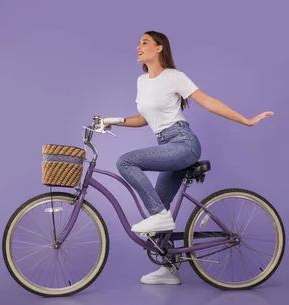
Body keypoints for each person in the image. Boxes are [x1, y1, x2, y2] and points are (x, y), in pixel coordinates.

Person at [102, 30, 273, 285]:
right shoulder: (142, 81)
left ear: (159, 48)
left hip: (183, 143)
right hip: (166, 144)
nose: (138, 46)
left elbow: (208, 102)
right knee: (156, 207)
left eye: (145, 42)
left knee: (126, 162)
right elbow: (144, 119)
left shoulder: (174, 77)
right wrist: (111, 121)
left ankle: (161, 218)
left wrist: (246, 121)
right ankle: (169, 269)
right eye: (138, 43)